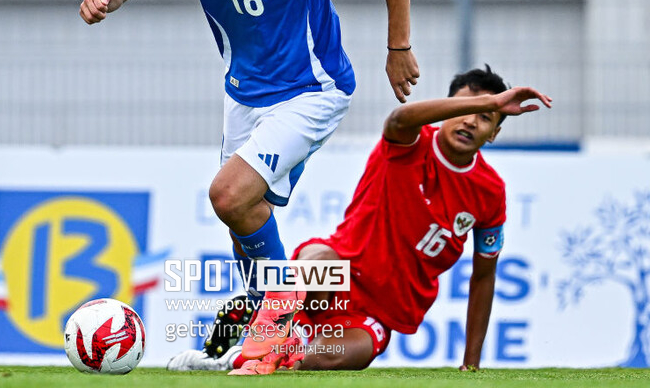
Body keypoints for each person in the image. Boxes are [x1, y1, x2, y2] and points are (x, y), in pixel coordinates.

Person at [79, 0, 419, 317]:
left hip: (312, 88)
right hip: (242, 93)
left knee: (227, 194)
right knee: (242, 214)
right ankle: (266, 326)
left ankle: (278, 318)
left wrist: (398, 48)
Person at [166, 65, 551, 374]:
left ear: (495, 133)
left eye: (485, 117)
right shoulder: (408, 142)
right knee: (317, 260)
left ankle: (251, 350)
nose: (470, 121)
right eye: (464, 109)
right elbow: (400, 117)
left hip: (377, 313)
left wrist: (471, 364)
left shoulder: (490, 192)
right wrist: (491, 100)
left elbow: (483, 276)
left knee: (330, 358)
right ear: (444, 110)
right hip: (337, 272)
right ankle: (253, 334)